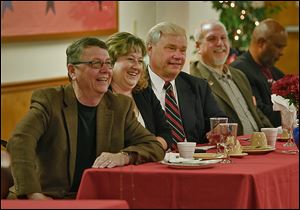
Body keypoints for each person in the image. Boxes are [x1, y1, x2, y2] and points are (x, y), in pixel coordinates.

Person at [6, 37, 165, 200]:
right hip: (49, 197)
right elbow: (19, 140)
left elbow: (153, 146)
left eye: (108, 63)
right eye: (96, 63)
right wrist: (34, 195)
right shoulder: (50, 101)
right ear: (72, 71)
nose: (105, 70)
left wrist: (123, 156)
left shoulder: (119, 106)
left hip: (97, 198)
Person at [146, 21, 226, 148]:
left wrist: (219, 129)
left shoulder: (197, 86)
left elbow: (218, 120)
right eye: (171, 48)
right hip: (153, 161)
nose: (178, 56)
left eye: (183, 50)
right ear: (150, 48)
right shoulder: (136, 86)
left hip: (195, 162)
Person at [190, 20, 273, 135]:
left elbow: (254, 110)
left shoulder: (239, 75)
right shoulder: (194, 79)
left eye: (223, 38)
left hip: (258, 144)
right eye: (212, 39)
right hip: (230, 147)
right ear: (198, 46)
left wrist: (272, 132)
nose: (220, 43)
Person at [106, 31, 172, 150]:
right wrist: (148, 149)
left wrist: (149, 150)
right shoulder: (101, 97)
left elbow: (165, 133)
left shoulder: (144, 92)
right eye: (131, 59)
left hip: (149, 162)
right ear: (111, 62)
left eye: (140, 61)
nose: (136, 66)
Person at [231, 18, 287, 127]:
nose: (282, 53)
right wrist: (289, 112)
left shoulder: (278, 74)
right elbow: (258, 111)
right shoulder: (239, 71)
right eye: (278, 46)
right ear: (261, 43)